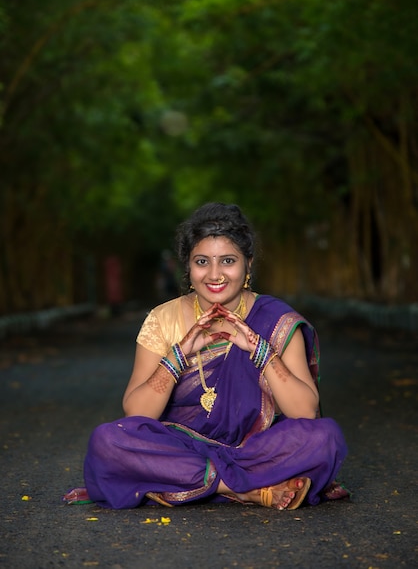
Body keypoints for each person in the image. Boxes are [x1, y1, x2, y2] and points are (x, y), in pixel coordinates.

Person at [64, 202, 349, 510]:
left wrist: (260, 350)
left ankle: (198, 482)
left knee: (325, 438)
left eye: (228, 261)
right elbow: (138, 414)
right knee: (108, 441)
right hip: (179, 446)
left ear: (248, 265)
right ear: (188, 266)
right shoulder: (163, 319)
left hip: (255, 447)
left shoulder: (276, 319)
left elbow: (305, 412)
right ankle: (246, 489)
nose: (215, 275)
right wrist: (179, 355)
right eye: (202, 261)